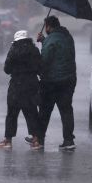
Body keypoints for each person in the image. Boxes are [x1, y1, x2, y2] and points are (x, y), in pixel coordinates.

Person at [30, 15, 77, 150]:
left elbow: (45, 61)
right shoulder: (67, 37)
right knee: (66, 110)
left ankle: (39, 139)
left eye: (46, 27)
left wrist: (41, 47)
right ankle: (68, 140)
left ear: (49, 26)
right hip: (69, 80)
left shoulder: (51, 40)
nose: (45, 29)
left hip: (51, 82)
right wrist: (44, 41)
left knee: (45, 110)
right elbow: (58, 50)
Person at [0, 30, 43, 150]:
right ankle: (36, 140)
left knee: (12, 114)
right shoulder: (34, 50)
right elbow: (40, 69)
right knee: (32, 113)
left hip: (16, 87)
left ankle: (8, 141)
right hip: (31, 86)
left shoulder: (13, 50)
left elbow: (7, 69)